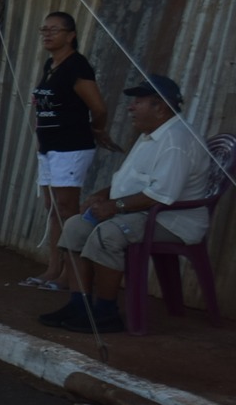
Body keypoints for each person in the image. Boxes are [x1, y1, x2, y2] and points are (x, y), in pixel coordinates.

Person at [40, 74, 218, 334]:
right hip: (144, 211)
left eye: (138, 102)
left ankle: (106, 313)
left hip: (171, 221)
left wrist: (114, 207)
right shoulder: (151, 135)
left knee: (107, 234)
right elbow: (131, 183)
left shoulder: (176, 141)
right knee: (76, 226)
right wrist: (101, 195)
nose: (131, 107)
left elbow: (160, 195)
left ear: (160, 107)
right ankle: (80, 305)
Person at [20, 11, 114, 289]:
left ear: (71, 35)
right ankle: (52, 268)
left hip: (71, 146)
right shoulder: (52, 64)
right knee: (52, 208)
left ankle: (67, 275)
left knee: (66, 208)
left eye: (55, 30)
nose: (47, 34)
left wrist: (97, 130)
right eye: (44, 29)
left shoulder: (77, 66)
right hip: (49, 147)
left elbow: (98, 108)